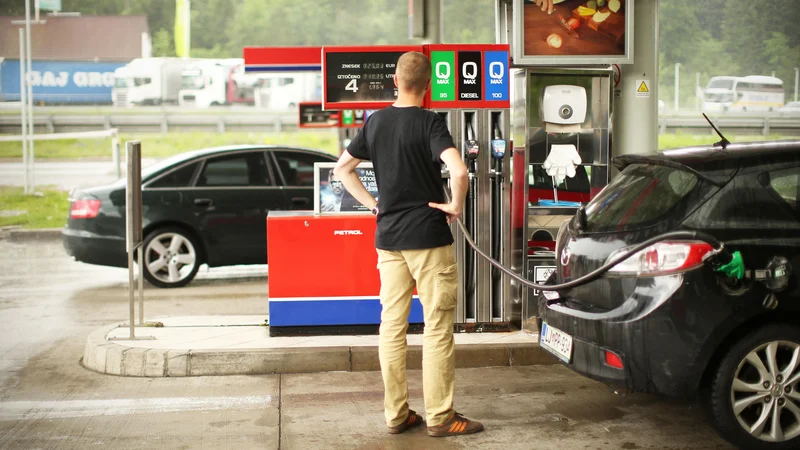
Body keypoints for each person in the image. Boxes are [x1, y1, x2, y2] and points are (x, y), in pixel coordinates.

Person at [333, 51, 481, 437]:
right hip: (428, 239)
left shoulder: (376, 121)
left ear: (396, 82)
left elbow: (342, 168)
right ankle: (441, 417)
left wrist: (373, 206)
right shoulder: (431, 122)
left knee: (392, 326)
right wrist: (456, 204)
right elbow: (459, 169)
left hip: (389, 240)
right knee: (436, 328)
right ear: (428, 86)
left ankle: (397, 415)